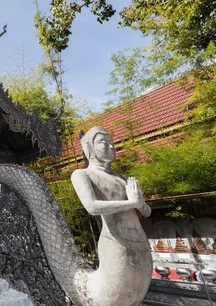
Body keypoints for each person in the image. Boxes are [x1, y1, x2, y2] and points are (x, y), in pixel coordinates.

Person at [71, 126, 152, 306]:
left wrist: (139, 203)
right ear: (90, 148)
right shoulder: (83, 174)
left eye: (111, 142)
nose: (110, 146)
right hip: (116, 242)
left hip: (141, 243)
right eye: (103, 142)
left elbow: (146, 211)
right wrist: (132, 203)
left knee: (137, 296)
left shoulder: (123, 178)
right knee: (116, 299)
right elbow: (92, 207)